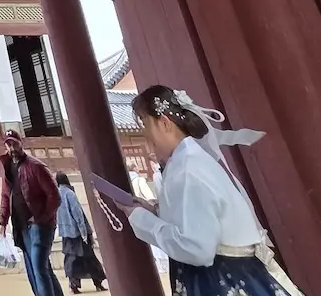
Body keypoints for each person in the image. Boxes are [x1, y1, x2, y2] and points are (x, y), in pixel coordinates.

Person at [128, 85, 300, 296]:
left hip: (221, 280)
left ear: (165, 123)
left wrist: (141, 219)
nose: (145, 134)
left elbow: (197, 248)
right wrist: (155, 212)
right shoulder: (189, 161)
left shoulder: (188, 168)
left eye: (145, 123)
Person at [0, 129, 63, 296]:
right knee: (37, 268)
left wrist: (41, 217)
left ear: (21, 143)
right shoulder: (7, 169)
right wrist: (3, 222)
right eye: (8, 144)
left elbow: (55, 196)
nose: (12, 148)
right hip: (21, 226)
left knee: (39, 267)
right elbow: (6, 196)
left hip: (39, 225)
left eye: (14, 143)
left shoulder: (36, 167)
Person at [55, 172, 106, 292]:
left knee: (72, 260)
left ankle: (74, 284)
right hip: (78, 233)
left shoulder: (55, 195)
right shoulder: (70, 194)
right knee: (90, 258)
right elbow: (78, 214)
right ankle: (98, 283)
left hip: (66, 234)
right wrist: (84, 232)